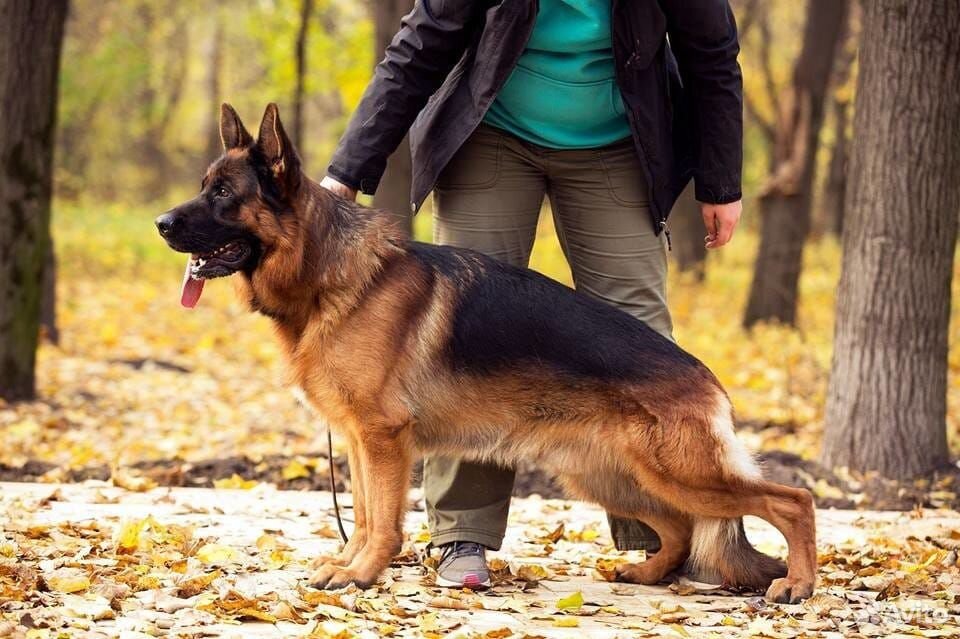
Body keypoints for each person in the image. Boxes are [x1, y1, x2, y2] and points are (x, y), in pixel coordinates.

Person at [321, 0, 743, 589]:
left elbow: (712, 55)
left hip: (622, 142)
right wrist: (347, 170)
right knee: (464, 333)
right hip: (492, 134)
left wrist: (721, 180)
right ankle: (462, 535)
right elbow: (420, 46)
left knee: (637, 324)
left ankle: (662, 535)